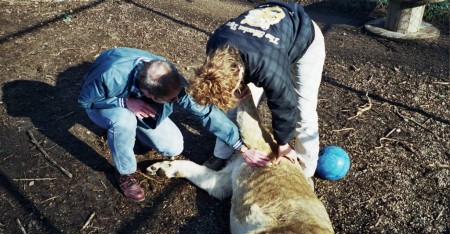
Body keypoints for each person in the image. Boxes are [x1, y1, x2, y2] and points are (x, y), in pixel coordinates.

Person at [78, 47, 268, 202]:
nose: (178, 100)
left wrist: (240, 146)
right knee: (123, 120)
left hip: (139, 103)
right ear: (150, 95)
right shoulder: (110, 75)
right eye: (172, 99)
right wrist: (125, 103)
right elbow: (86, 102)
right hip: (105, 105)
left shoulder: (166, 74)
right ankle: (125, 173)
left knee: (173, 146)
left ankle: (133, 134)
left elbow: (205, 112)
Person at [188, 1, 326, 182]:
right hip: (263, 43)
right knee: (234, 104)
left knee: (303, 109)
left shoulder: (267, 68)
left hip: (303, 37)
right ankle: (221, 154)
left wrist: (283, 144)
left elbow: (285, 105)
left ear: (237, 76)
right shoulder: (216, 43)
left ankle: (305, 171)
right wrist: (235, 93)